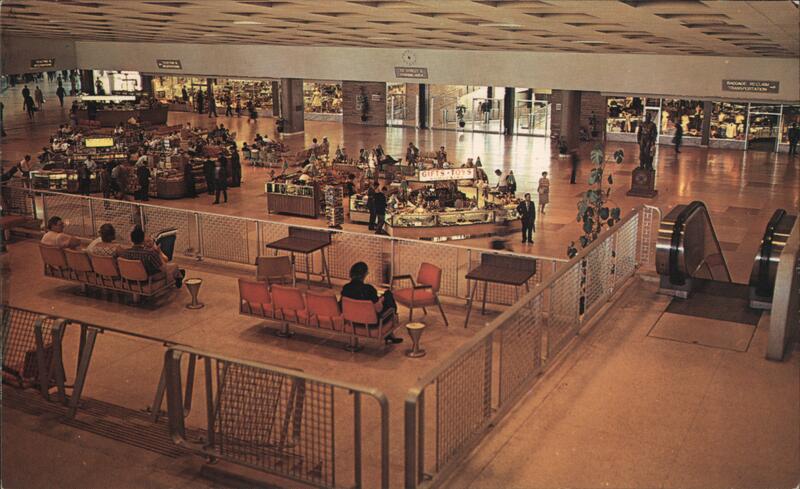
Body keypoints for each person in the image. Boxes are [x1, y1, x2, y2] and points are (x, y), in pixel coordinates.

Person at [340, 262, 402, 344]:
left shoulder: (346, 288)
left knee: (384, 297)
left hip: (352, 321)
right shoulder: (369, 289)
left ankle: (390, 335)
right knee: (388, 295)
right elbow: (379, 309)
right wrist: (381, 300)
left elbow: (342, 305)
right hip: (371, 322)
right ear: (365, 274)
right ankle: (390, 334)